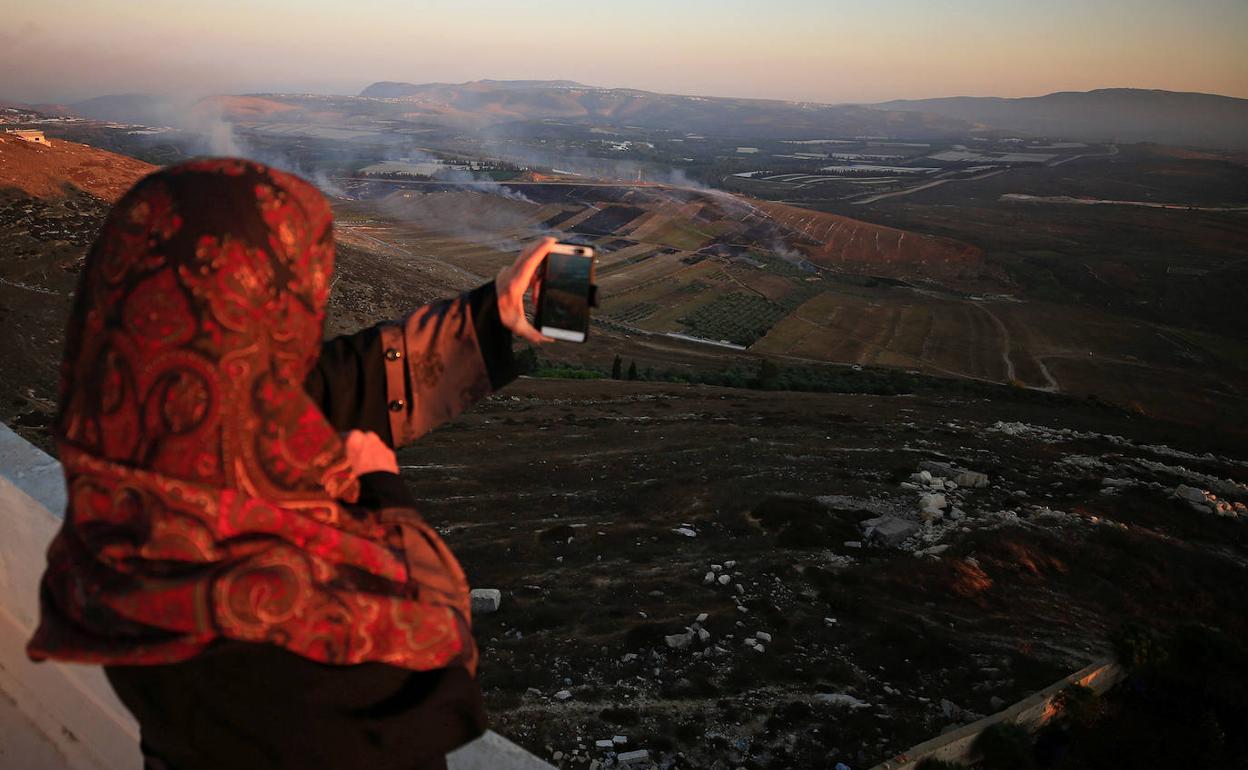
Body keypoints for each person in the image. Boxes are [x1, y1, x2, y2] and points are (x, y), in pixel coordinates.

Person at [26, 157, 557, 770]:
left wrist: (494, 314)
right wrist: (382, 489)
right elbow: (433, 655)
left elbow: (319, 387)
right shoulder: (281, 618)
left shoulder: (137, 441)